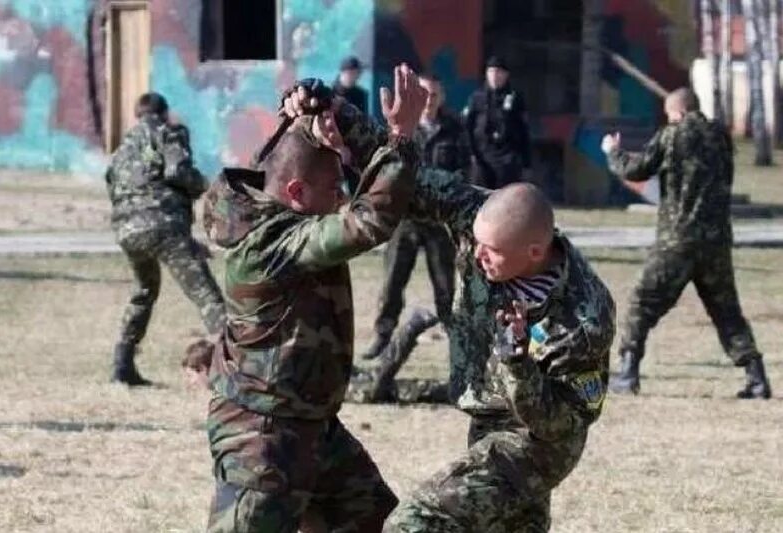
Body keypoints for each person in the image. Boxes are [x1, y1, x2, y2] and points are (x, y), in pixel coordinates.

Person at [290, 82, 614, 533]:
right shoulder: (482, 215)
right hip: (486, 418)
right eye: (476, 245)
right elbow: (408, 181)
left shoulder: (583, 317)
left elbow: (561, 425)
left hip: (536, 441)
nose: (479, 258)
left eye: (493, 253)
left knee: (414, 522)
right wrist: (334, 110)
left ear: (536, 252)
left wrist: (518, 361)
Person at [203, 66, 426, 532]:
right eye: (334, 188)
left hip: (311, 426)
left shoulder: (287, 216)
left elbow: (332, 184)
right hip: (261, 435)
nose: (342, 194)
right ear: (296, 193)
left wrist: (323, 123)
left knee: (374, 519)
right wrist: (400, 139)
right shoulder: (268, 243)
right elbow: (369, 222)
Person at [602, 87, 772, 399]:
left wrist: (613, 151)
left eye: (670, 115)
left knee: (642, 302)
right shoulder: (721, 138)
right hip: (716, 242)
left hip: (677, 240)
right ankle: (757, 377)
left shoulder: (671, 136)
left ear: (677, 113)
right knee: (727, 311)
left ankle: (627, 373)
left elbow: (635, 170)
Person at [105, 92, 226, 386]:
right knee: (206, 296)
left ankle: (122, 365)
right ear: (165, 113)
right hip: (163, 224)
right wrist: (208, 186)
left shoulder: (122, 149)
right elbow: (177, 171)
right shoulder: (168, 133)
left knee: (144, 290)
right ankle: (233, 369)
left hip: (127, 231)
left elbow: (113, 186)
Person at [362, 72, 470, 361]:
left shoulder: (455, 129)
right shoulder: (401, 130)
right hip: (405, 220)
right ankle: (382, 337)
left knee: (446, 288)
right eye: (424, 95)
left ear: (442, 97)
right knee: (392, 283)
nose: (429, 100)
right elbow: (386, 168)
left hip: (438, 220)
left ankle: (458, 347)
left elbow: (464, 171)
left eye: (434, 95)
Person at [464, 55, 532, 189]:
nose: (495, 76)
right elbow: (468, 128)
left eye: (499, 72)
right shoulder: (477, 98)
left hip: (507, 160)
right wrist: (472, 154)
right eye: (491, 72)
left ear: (506, 75)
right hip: (482, 159)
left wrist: (526, 163)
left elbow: (524, 131)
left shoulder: (515, 99)